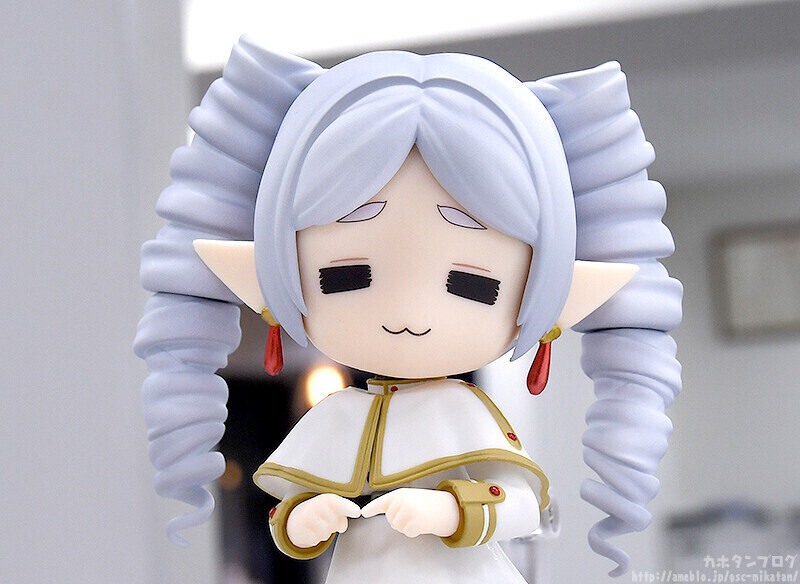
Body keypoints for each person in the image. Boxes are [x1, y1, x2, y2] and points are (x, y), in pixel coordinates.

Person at [135, 37, 682, 579]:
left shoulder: (463, 412)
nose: (409, 315)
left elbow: (521, 505)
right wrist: (304, 519)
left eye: (474, 285)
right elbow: (285, 510)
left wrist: (450, 511)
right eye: (345, 277)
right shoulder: (336, 415)